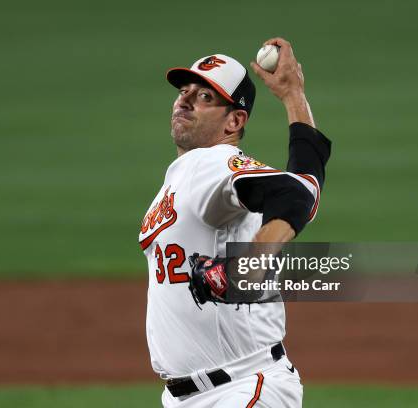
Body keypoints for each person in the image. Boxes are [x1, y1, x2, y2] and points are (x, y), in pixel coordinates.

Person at [138, 37, 331, 408]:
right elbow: (305, 182)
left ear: (234, 121)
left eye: (205, 97)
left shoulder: (210, 164)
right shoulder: (182, 177)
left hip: (242, 389)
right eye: (185, 90)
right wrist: (293, 97)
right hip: (192, 397)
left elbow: (294, 196)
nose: (186, 99)